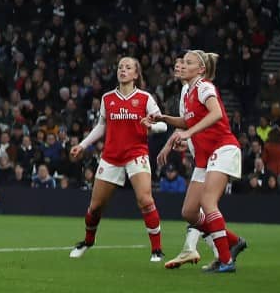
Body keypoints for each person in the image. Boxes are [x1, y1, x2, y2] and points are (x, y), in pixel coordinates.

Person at [153, 49, 246, 272]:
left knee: (208, 202)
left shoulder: (204, 87)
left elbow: (216, 114)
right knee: (189, 212)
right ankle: (234, 241)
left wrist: (188, 133)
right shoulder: (188, 93)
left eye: (188, 62)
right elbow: (187, 121)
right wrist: (164, 118)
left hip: (223, 148)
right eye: (182, 62)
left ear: (201, 69)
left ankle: (226, 260)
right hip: (205, 157)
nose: (183, 65)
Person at [68, 55, 166, 262]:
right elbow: (101, 126)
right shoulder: (107, 99)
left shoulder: (145, 98)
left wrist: (152, 126)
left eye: (128, 67)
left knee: (145, 199)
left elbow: (163, 125)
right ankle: (88, 241)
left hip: (136, 154)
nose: (123, 70)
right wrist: (83, 145)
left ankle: (157, 249)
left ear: (136, 74)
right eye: (121, 67)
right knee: (95, 206)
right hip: (111, 156)